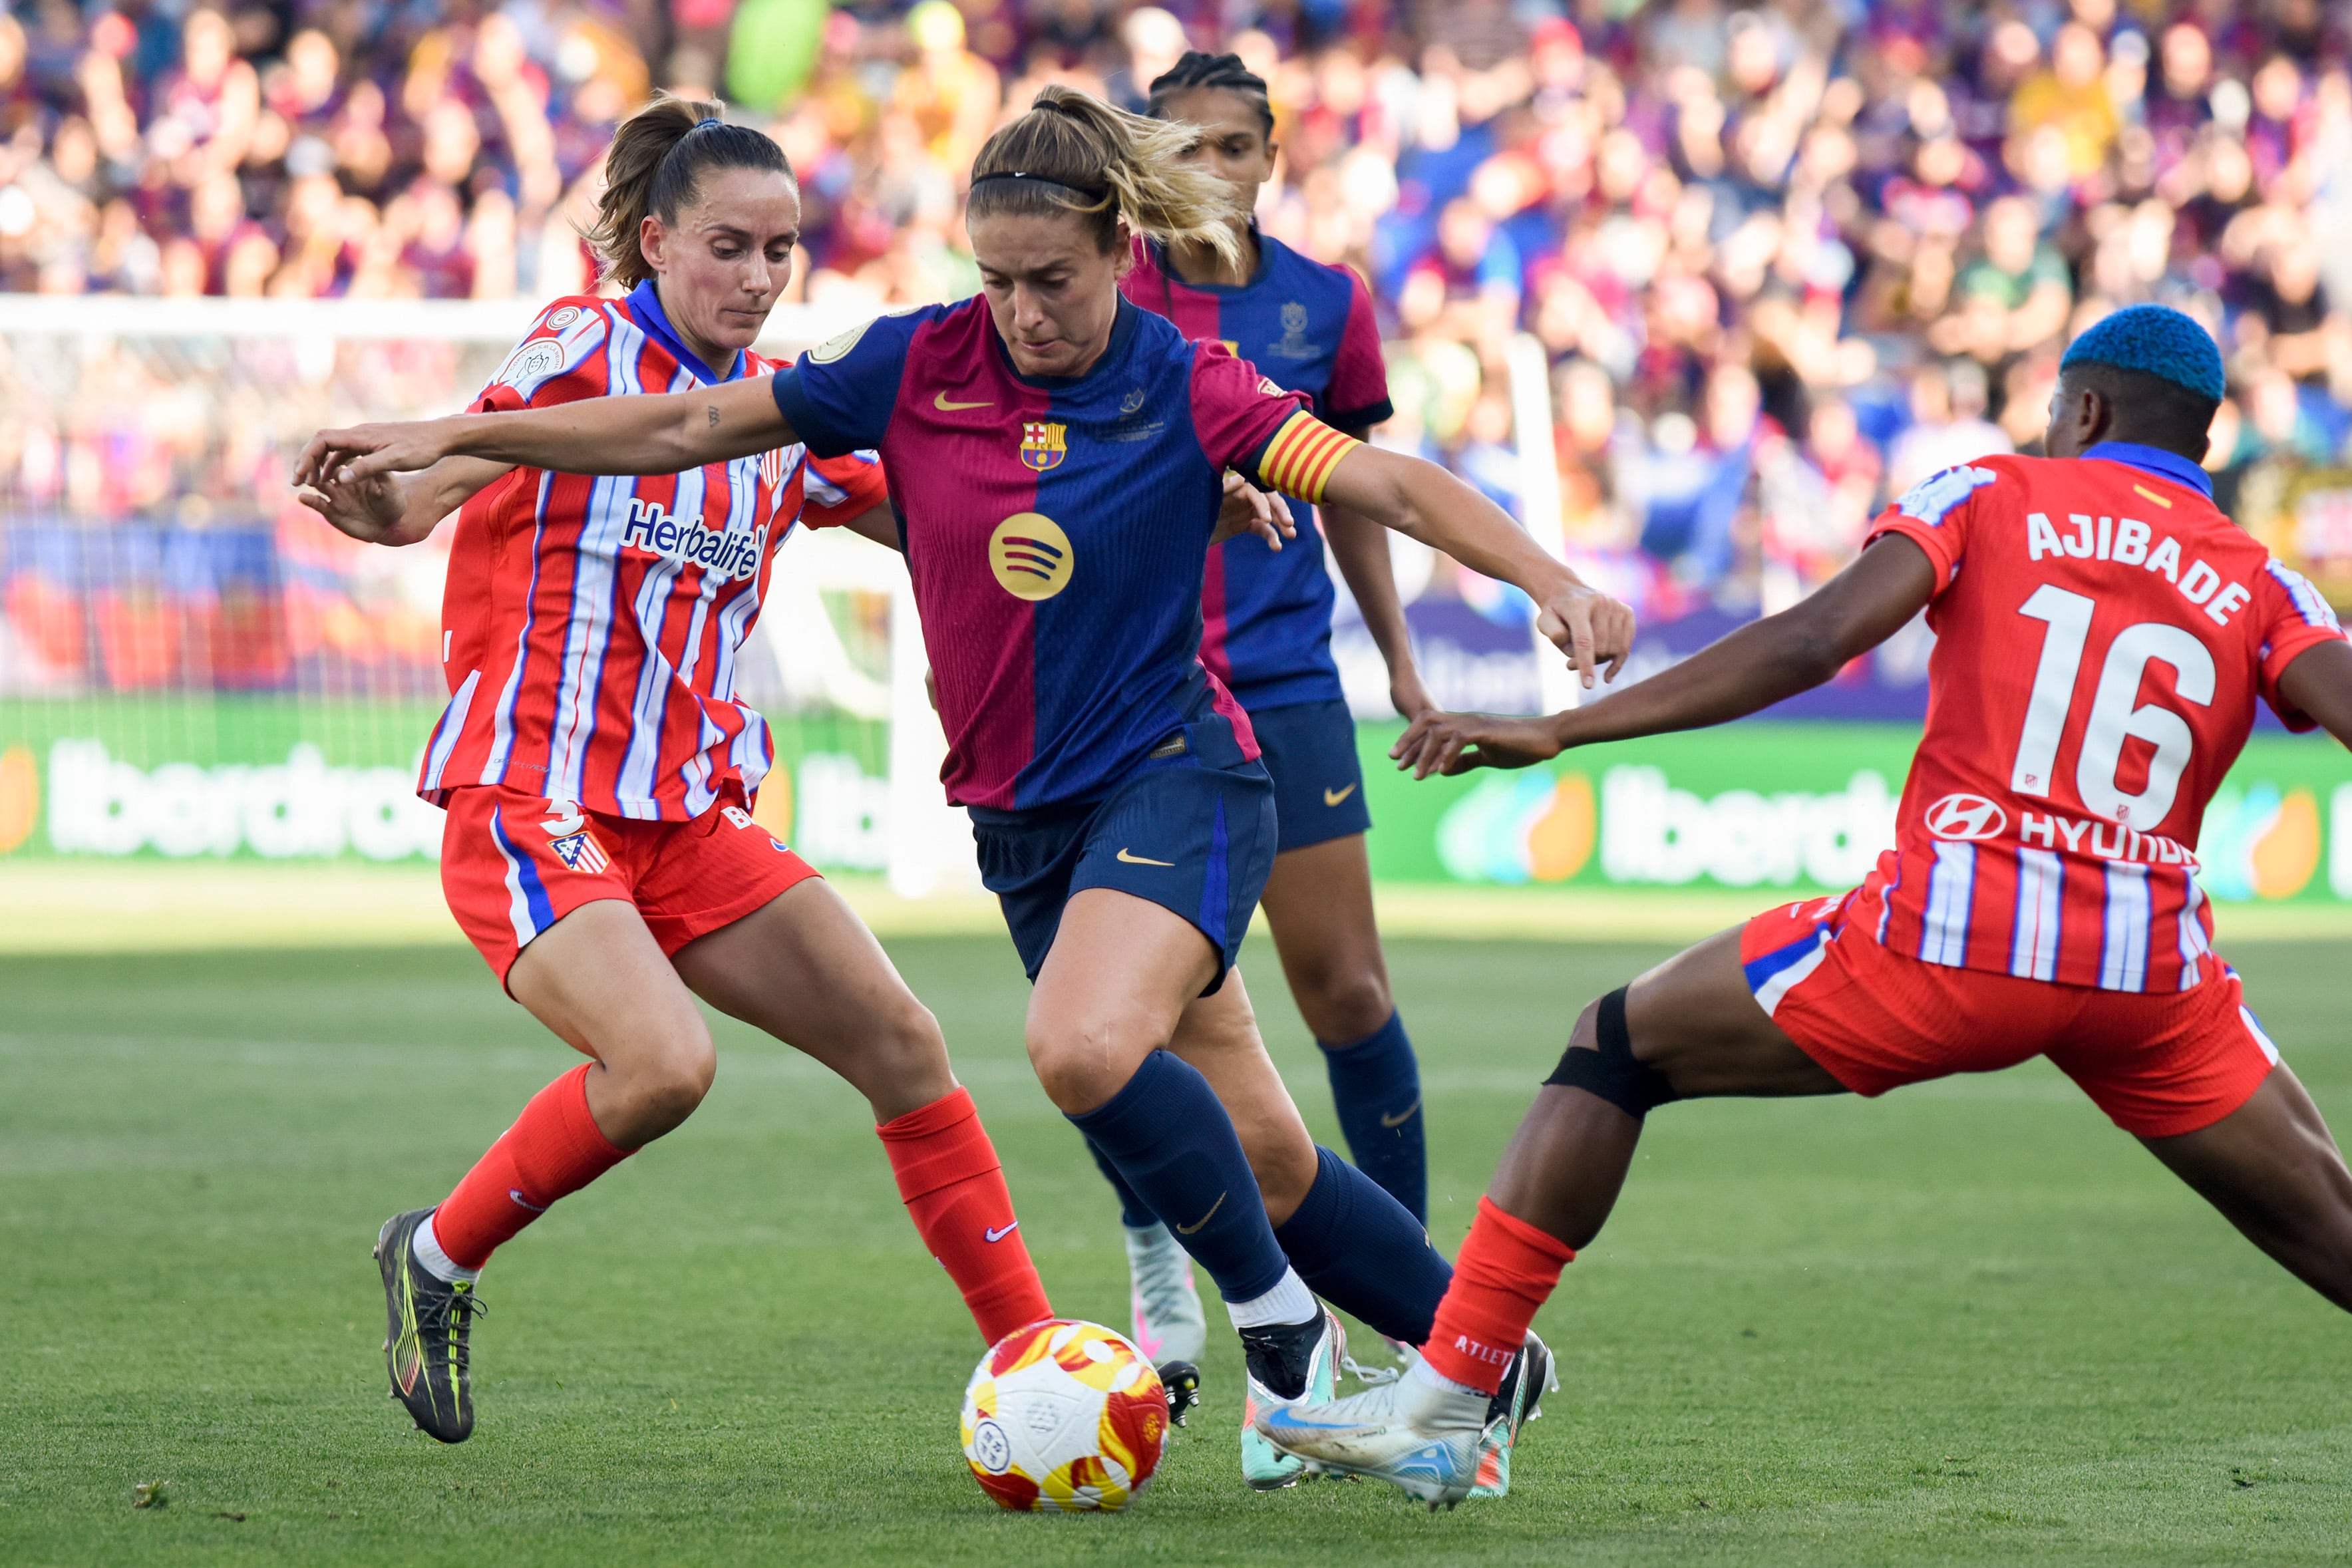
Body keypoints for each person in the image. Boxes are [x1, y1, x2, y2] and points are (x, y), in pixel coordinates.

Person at [297, 85, 1635, 1491]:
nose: (1020, 313)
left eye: (1048, 281)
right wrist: (428, 450)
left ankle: (1258, 1348)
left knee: (1041, 1050)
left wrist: (1539, 574)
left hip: (1139, 773)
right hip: (924, 815)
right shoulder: (853, 362)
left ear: (1121, 252)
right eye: (994, 281)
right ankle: (1479, 1357)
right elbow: (657, 442)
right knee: (1257, 1141)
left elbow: (1375, 483)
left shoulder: (1180, 380)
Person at [1256, 303, 2352, 1504]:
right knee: (2327, 1218)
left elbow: (1819, 638)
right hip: (2148, 974)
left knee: (1615, 1045)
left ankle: (1449, 1397)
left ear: (2084, 411)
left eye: (2054, 407)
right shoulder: (2265, 579)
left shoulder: (1991, 491)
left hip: (1955, 938)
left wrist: (1562, 727)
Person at [295, 96, 1052, 1446]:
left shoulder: (779, 414)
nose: (758, 280)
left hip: (690, 815)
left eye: (781, 251)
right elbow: (429, 489)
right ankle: (436, 1258)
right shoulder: (587, 341)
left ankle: (1036, 1364)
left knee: (904, 1045)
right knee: (663, 1067)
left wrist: (1153, 498)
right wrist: (382, 497)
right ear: (653, 242)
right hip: (534, 795)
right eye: (727, 247)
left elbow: (943, 515)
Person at [1083, 49, 1436, 1377]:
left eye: (1234, 147)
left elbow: (1351, 485)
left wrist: (1398, 658)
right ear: (1143, 166)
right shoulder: (1108, 297)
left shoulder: (1324, 302)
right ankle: (1162, 1268)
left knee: (1345, 988)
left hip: (1286, 676)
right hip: (1137, 684)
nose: (1212, 172)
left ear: (1269, 158)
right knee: (1138, 1012)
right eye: (1184, 149)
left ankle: (1404, 1301)